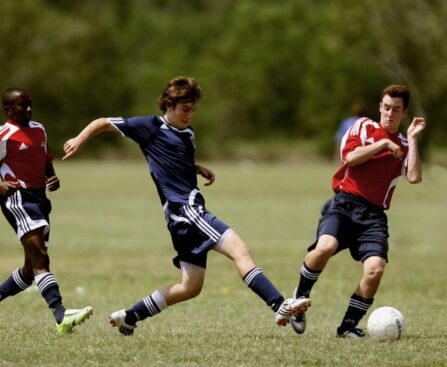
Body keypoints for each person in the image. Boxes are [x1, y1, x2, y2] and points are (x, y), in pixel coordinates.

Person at [63, 76, 310, 335]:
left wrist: (197, 168)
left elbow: (174, 162)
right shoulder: (149, 127)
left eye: (193, 110)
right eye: (185, 109)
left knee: (190, 287)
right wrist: (80, 139)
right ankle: (279, 304)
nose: (190, 115)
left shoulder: (188, 135)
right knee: (239, 249)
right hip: (187, 211)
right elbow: (103, 122)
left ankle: (130, 316)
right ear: (169, 105)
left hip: (180, 217)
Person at [291, 84, 425, 338]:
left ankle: (348, 326)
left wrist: (414, 139)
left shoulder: (405, 145)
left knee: (375, 270)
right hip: (344, 204)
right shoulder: (363, 126)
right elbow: (350, 157)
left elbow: (415, 176)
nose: (389, 113)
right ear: (379, 107)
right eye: (386, 107)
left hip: (374, 216)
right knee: (325, 247)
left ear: (404, 112)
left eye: (396, 109)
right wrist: (383, 144)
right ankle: (299, 299)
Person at [0, 88, 93, 334]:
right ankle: (61, 314)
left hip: (39, 198)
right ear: (8, 110)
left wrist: (52, 177)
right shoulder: (4, 135)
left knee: (30, 270)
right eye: (22, 106)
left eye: (30, 104)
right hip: (17, 199)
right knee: (41, 256)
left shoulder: (39, 129)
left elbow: (45, 159)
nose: (29, 109)